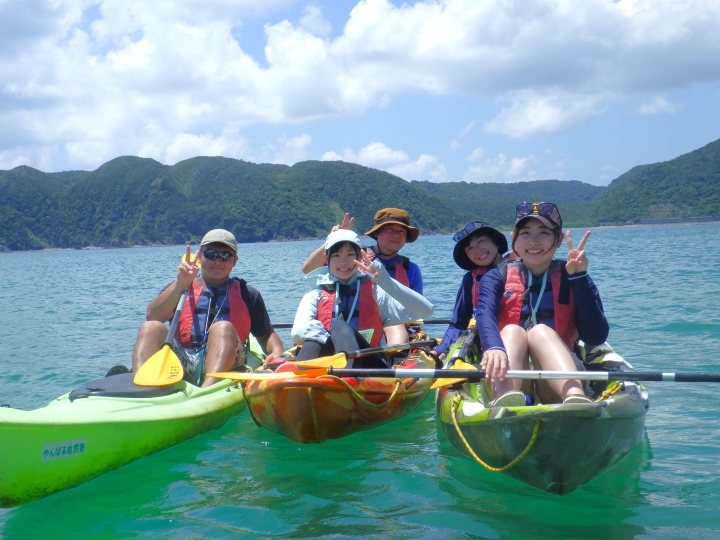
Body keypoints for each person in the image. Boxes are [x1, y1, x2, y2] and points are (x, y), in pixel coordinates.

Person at [475, 202, 609, 406]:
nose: (534, 241)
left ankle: (576, 399)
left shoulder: (574, 275)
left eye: (544, 233)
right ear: (514, 239)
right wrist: (493, 346)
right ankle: (504, 400)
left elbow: (596, 336)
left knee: (540, 332)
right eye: (525, 233)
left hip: (559, 381)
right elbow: (484, 314)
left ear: (559, 240)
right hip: (507, 375)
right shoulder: (496, 277)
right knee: (512, 331)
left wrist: (579, 278)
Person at [132, 229, 284, 387]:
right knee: (150, 328)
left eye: (225, 256)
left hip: (229, 360)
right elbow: (153, 317)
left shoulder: (248, 294)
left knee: (222, 327)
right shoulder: (181, 286)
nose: (218, 261)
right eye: (211, 254)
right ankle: (141, 386)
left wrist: (277, 352)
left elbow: (266, 334)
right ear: (199, 256)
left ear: (234, 261)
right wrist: (180, 284)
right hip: (181, 359)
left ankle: (207, 390)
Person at [291, 229, 433, 366]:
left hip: (369, 368)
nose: (343, 261)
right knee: (313, 341)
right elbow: (297, 334)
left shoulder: (376, 292)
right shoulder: (315, 295)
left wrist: (386, 282)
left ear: (359, 257)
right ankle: (299, 384)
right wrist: (328, 337)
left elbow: (426, 311)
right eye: (336, 255)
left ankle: (346, 378)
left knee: (340, 327)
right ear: (326, 258)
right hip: (330, 366)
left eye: (350, 254)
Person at [300, 209, 424, 344]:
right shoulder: (351, 255)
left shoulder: (410, 269)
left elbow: (416, 310)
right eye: (390, 229)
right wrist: (333, 239)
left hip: (391, 321)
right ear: (377, 232)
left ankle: (394, 360)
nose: (396, 235)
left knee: (396, 325)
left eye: (402, 231)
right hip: (353, 318)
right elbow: (308, 270)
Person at [435, 221, 508, 360]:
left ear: (495, 241)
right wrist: (441, 348)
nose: (478, 250)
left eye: (481, 241)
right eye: (470, 248)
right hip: (486, 348)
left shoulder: (520, 270)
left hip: (518, 340)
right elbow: (458, 323)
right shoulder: (470, 280)